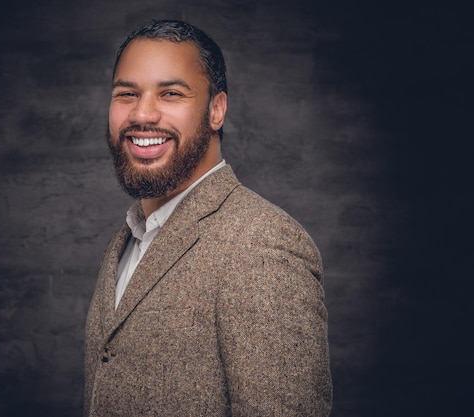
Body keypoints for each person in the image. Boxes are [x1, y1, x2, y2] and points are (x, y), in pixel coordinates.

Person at [84, 19, 332, 417]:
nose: (142, 113)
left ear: (216, 110)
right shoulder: (127, 238)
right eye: (127, 93)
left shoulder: (262, 243)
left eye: (171, 93)